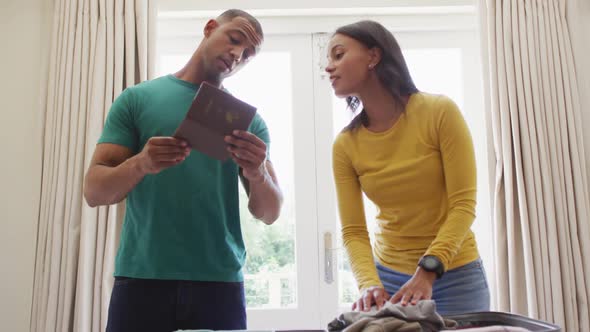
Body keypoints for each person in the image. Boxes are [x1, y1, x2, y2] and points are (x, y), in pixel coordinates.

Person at [83, 9, 283, 332]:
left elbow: (270, 212)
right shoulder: (136, 100)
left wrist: (257, 172)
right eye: (234, 40)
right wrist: (140, 163)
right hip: (142, 279)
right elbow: (93, 191)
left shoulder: (249, 123)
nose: (237, 55)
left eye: (247, 54)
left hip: (219, 284)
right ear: (209, 28)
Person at [325, 20, 490, 316]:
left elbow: (463, 206)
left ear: (374, 57)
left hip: (455, 276)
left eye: (338, 55)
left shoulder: (439, 112)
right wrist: (368, 284)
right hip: (389, 281)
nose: (329, 67)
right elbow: (353, 231)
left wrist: (428, 271)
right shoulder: (345, 145)